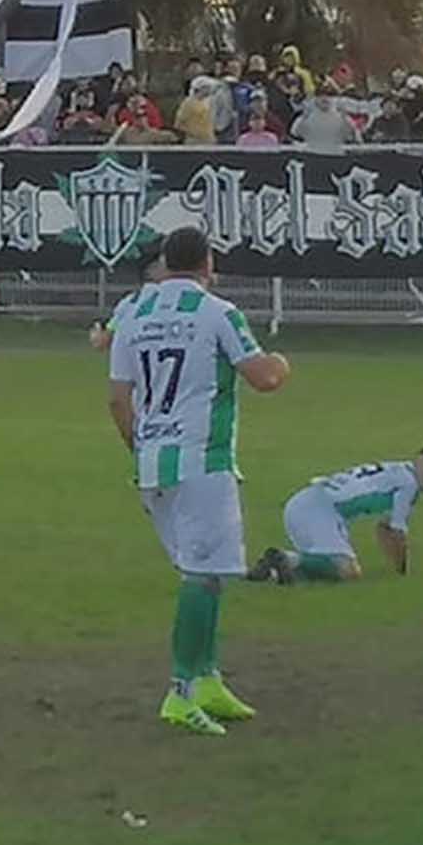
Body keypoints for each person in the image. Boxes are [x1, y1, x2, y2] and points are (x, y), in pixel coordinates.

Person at [106, 226, 293, 737]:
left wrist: (141, 450)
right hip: (203, 461)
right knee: (201, 574)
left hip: (153, 463)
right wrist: (282, 362)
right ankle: (182, 689)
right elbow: (265, 378)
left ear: (166, 262)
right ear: (208, 263)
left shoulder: (135, 316)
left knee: (206, 574)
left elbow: (118, 400)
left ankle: (206, 676)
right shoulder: (217, 313)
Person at [246, 448, 423, 585]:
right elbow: (397, 532)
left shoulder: (396, 471)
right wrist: (403, 573)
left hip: (303, 502)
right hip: (322, 510)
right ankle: (286, 558)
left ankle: (271, 573)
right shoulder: (409, 484)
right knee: (348, 571)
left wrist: (397, 564)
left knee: (325, 569)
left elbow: (384, 529)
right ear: (419, 460)